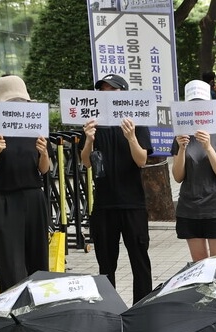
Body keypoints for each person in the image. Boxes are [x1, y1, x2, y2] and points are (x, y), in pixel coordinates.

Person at [80, 73, 154, 304]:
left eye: (112, 90)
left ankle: (141, 307)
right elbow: (86, 162)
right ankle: (109, 308)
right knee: (105, 263)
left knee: (139, 259)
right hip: (104, 205)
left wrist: (131, 137)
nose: (107, 94)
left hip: (133, 204)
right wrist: (89, 139)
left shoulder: (136, 121)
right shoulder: (94, 124)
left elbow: (141, 160)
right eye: (103, 91)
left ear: (123, 93)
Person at [0, 75, 50, 291]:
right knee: (11, 262)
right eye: (11, 103)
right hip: (5, 199)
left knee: (38, 258)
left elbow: (44, 169)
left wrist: (43, 152)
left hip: (34, 198)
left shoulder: (36, 125)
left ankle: (38, 308)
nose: (17, 106)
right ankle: (15, 312)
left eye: (20, 102)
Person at [171, 80, 216, 262]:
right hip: (190, 209)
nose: (196, 110)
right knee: (199, 265)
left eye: (201, 105)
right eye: (192, 105)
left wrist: (208, 147)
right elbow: (178, 176)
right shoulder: (180, 136)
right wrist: (182, 148)